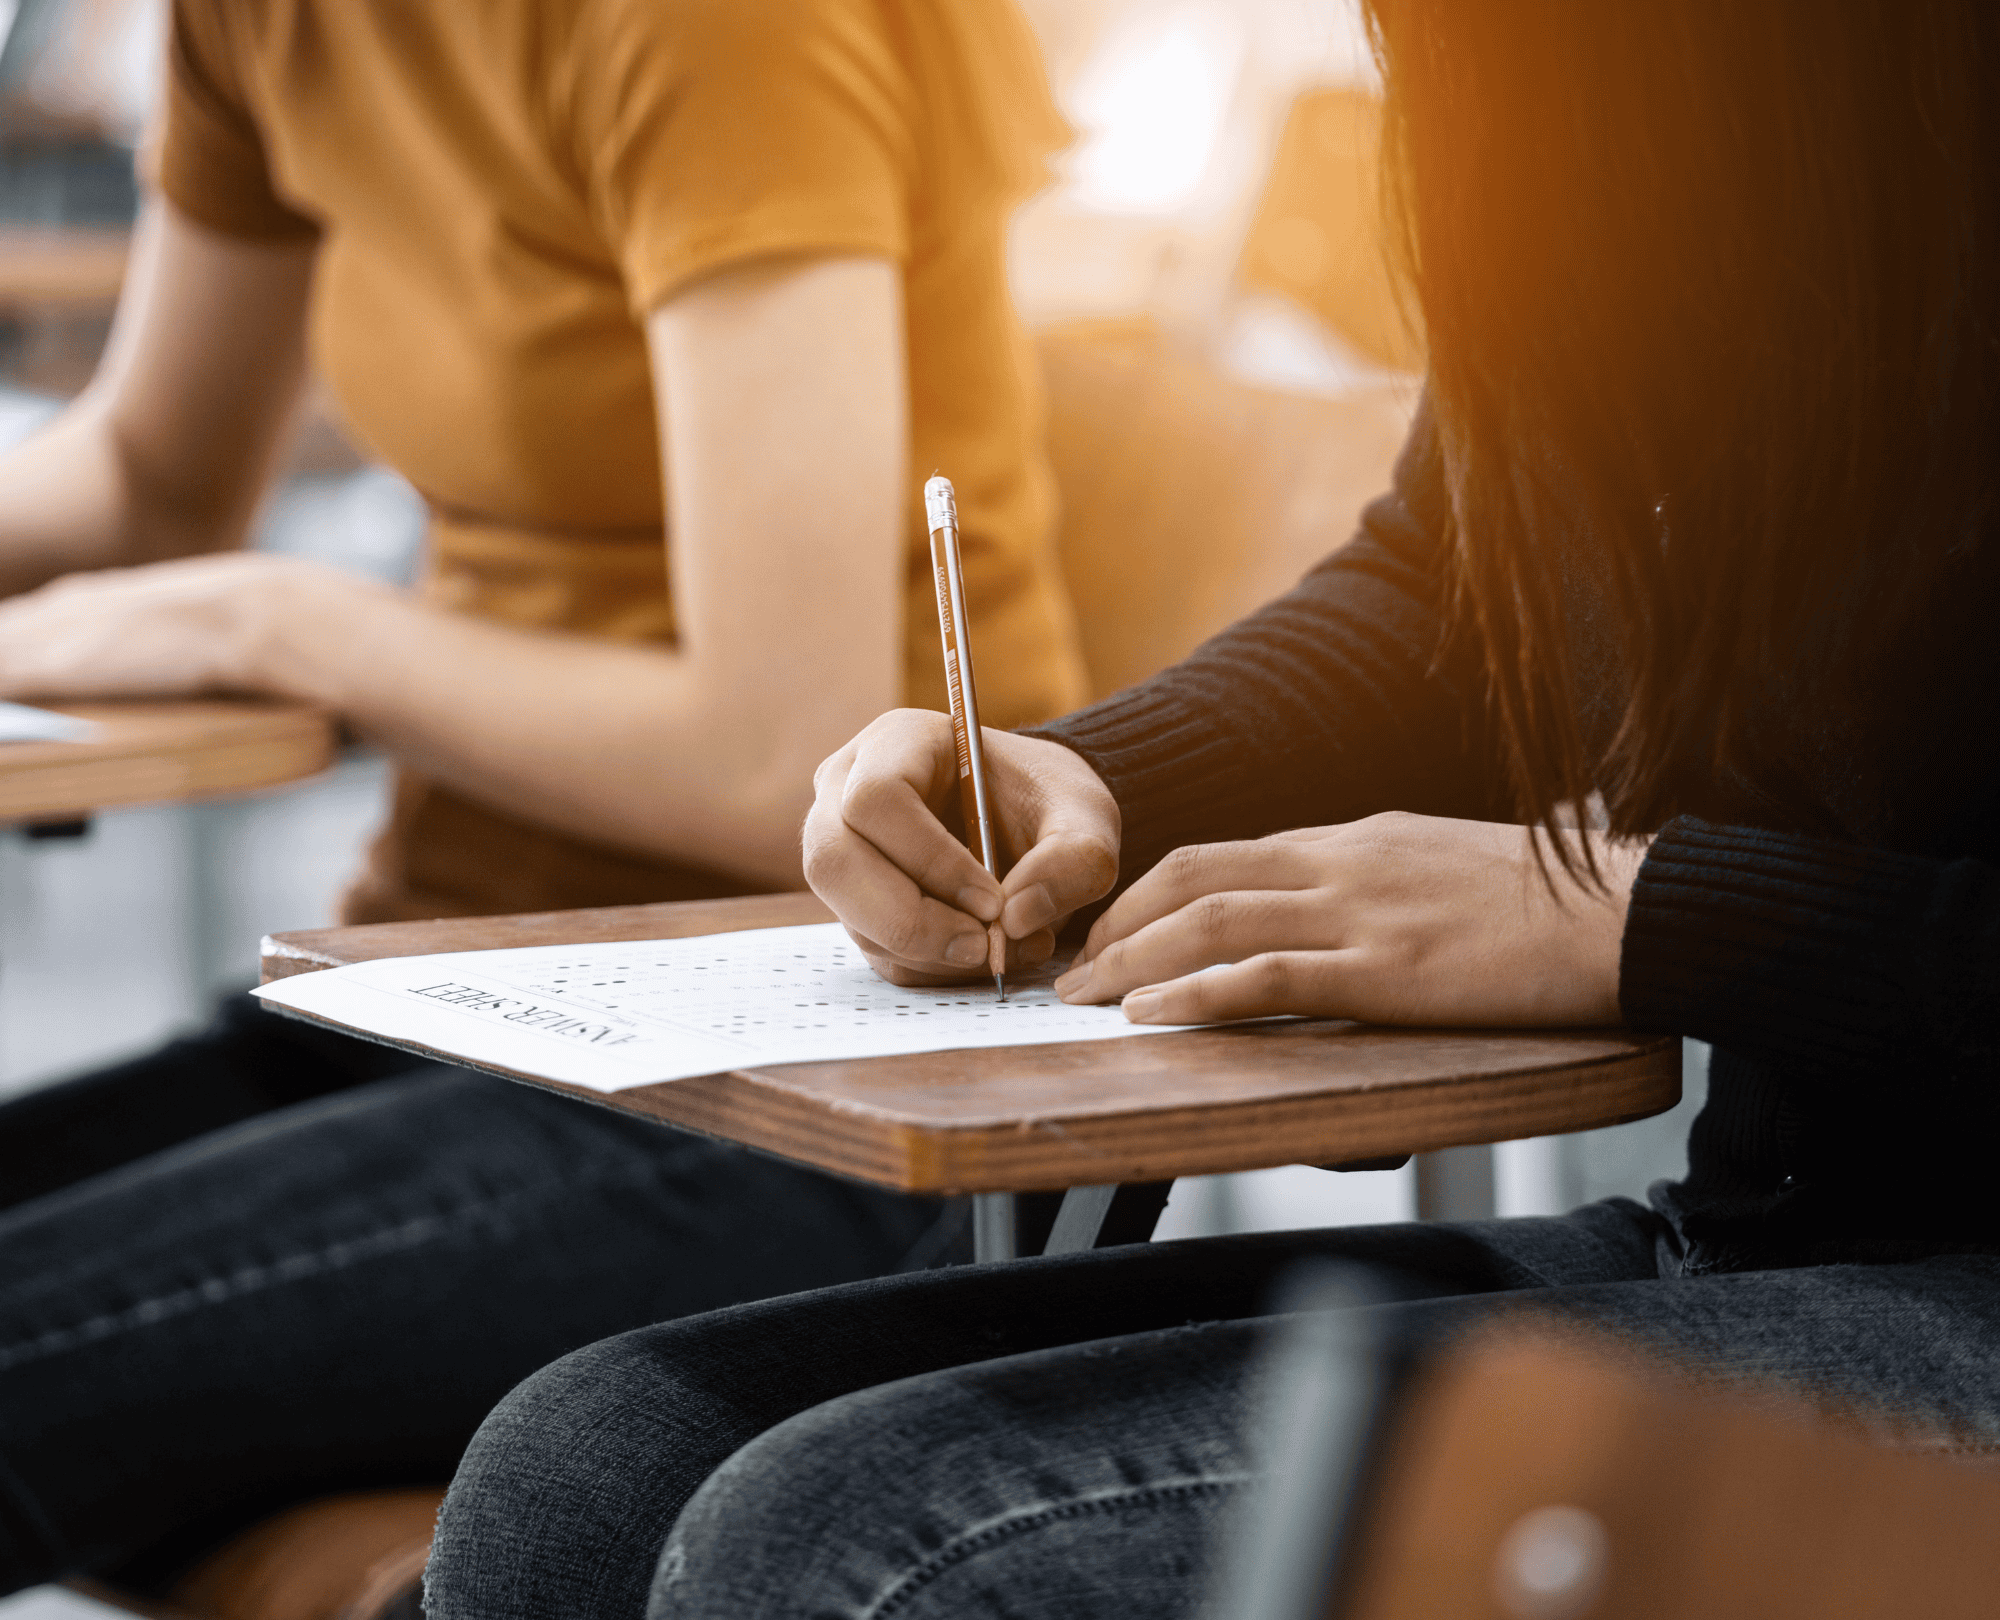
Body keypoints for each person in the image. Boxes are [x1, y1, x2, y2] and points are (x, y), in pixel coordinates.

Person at [419, 2, 2000, 1615]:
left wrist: (1646, 914)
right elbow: (1465, 593)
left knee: (854, 1548)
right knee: (589, 1466)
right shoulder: (1607, 103)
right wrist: (1090, 782)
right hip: (1780, 1232)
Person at [0, 0, 1090, 1610]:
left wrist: (276, 621)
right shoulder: (253, 21)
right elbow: (151, 472)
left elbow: (771, 749)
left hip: (806, 1054)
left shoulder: (717, 33)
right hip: (449, 989)